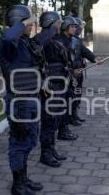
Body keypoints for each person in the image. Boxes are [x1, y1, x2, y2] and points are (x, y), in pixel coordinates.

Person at [0, 5, 58, 195]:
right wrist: (24, 21)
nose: (32, 26)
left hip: (32, 99)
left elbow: (43, 38)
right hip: (19, 102)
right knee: (19, 142)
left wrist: (56, 25)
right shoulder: (9, 45)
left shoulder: (26, 43)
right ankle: (17, 185)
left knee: (31, 140)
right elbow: (8, 36)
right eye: (29, 23)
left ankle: (24, 179)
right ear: (19, 21)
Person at [39, 12, 70, 167]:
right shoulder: (42, 41)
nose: (61, 25)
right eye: (58, 23)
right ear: (50, 24)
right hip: (50, 88)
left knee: (55, 119)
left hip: (60, 85)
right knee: (49, 120)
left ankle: (51, 149)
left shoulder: (55, 42)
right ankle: (45, 153)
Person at [69, 17, 103, 124]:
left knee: (77, 94)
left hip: (79, 71)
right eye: (76, 27)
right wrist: (72, 71)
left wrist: (94, 58)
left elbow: (85, 51)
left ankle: (74, 114)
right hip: (71, 72)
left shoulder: (77, 40)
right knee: (72, 95)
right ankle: (69, 117)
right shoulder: (66, 40)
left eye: (77, 27)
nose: (78, 29)